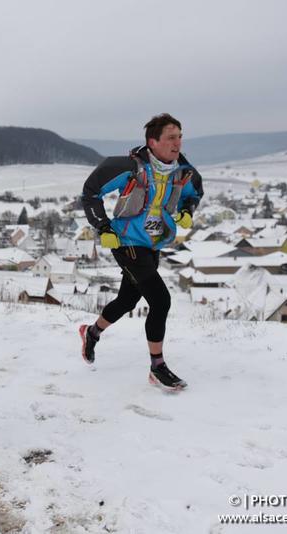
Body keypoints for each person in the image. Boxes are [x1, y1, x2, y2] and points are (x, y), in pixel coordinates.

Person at [79, 113, 203, 391]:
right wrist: (104, 227)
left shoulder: (184, 172)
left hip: (152, 244)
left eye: (180, 136)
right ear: (152, 142)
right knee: (161, 300)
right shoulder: (128, 166)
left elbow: (194, 194)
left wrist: (186, 211)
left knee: (127, 300)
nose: (178, 143)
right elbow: (90, 192)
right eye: (171, 137)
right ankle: (157, 367)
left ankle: (92, 332)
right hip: (126, 243)